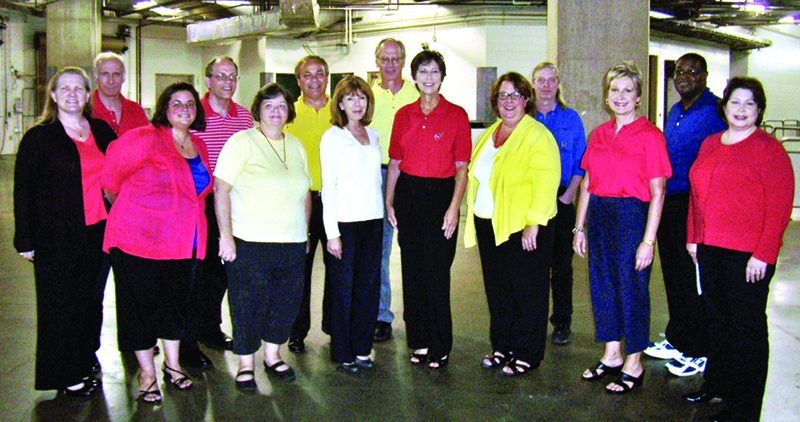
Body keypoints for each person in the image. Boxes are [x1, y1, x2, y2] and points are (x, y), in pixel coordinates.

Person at [682, 77, 793, 422]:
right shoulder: (711, 143)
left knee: (746, 331)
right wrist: (693, 236)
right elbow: (697, 194)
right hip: (711, 249)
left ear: (759, 110)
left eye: (749, 104)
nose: (741, 110)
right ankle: (717, 384)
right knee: (717, 322)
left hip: (748, 257)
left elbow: (779, 207)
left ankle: (744, 408)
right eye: (735, 102)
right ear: (724, 106)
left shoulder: (768, 149)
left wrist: (764, 253)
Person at [102, 82, 211, 404]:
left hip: (184, 241)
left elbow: (198, 192)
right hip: (139, 241)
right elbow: (111, 182)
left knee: (176, 304)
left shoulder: (198, 145)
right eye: (176, 103)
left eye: (190, 104)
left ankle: (172, 364)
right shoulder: (143, 138)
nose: (184, 109)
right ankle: (147, 373)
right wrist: (142, 212)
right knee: (139, 307)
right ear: (164, 108)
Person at [14, 67, 117, 397]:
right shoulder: (39, 137)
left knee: (90, 302)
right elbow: (23, 190)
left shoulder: (101, 131)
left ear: (88, 95)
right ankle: (65, 374)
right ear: (54, 96)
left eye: (79, 88)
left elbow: (121, 170)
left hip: (98, 233)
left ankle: (85, 357)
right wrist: (25, 239)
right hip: (55, 237)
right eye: (65, 89)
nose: (73, 94)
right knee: (59, 306)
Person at [573, 62, 671, 394]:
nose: (620, 96)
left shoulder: (651, 136)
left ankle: (634, 360)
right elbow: (587, 183)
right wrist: (579, 228)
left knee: (633, 290)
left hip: (632, 217)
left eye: (628, 90)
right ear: (606, 95)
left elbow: (658, 191)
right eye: (615, 90)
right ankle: (612, 353)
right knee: (602, 286)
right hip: (599, 215)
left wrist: (648, 240)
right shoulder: (599, 134)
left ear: (639, 97)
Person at [214, 83, 311, 388]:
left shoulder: (295, 145)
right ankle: (245, 362)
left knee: (286, 301)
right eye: (269, 106)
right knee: (247, 303)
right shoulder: (241, 142)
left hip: (292, 242)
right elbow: (221, 190)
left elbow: (304, 192)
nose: (276, 112)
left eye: (281, 106)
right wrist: (226, 237)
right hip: (249, 241)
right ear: (258, 110)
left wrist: (305, 231)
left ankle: (273, 355)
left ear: (289, 111)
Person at [464, 72, 561, 376]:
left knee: (527, 292)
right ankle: (502, 346)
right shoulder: (491, 132)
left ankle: (527, 352)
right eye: (503, 95)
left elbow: (548, 181)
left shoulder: (536, 135)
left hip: (523, 226)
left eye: (515, 95)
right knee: (499, 291)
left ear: (526, 100)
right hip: (489, 223)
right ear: (495, 101)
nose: (508, 101)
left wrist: (534, 223)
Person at [385, 49, 471, 369]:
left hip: (440, 197)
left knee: (436, 274)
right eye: (423, 71)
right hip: (408, 194)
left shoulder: (457, 115)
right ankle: (418, 340)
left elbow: (462, 168)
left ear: (442, 76)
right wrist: (389, 200)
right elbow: (395, 162)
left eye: (435, 71)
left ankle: (439, 343)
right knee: (412, 272)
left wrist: (453, 209)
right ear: (415, 76)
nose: (429, 77)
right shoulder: (404, 115)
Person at [643, 53, 727, 377]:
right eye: (680, 71)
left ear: (704, 76)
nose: (685, 76)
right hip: (670, 201)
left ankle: (699, 348)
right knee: (674, 275)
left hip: (697, 204)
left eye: (693, 71)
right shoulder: (676, 110)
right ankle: (679, 337)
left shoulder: (715, 111)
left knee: (694, 280)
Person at [181, 56, 254, 368]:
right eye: (220, 76)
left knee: (224, 274)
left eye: (232, 76)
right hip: (202, 205)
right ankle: (188, 341)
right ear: (207, 80)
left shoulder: (245, 116)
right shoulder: (194, 113)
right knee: (197, 275)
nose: (228, 82)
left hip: (236, 206)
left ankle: (211, 329)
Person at [320, 76, 383, 374]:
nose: (357, 104)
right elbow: (328, 189)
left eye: (362, 98)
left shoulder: (374, 135)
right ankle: (342, 351)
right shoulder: (332, 138)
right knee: (344, 290)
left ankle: (362, 348)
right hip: (345, 223)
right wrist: (332, 233)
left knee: (368, 289)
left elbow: (377, 180)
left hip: (373, 222)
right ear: (341, 104)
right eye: (351, 98)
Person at [530, 62, 587, 346]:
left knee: (562, 267)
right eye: (541, 80)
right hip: (532, 199)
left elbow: (581, 161)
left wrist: (570, 195)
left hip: (562, 197)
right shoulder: (525, 118)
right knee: (534, 263)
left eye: (551, 80)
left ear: (558, 83)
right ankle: (533, 320)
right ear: (533, 83)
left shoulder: (571, 118)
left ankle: (562, 322)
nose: (546, 85)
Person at [370, 38, 419, 343]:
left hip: (413, 178)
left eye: (395, 58)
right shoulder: (367, 97)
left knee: (415, 250)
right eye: (384, 58)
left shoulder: (419, 94)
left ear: (404, 61)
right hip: (377, 176)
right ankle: (381, 315)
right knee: (380, 251)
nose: (390, 64)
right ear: (377, 61)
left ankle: (417, 314)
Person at [284, 55, 334, 353]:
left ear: (327, 77)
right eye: (307, 75)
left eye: (320, 74)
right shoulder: (287, 114)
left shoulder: (339, 110)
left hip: (333, 202)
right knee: (298, 268)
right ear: (298, 80)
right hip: (299, 203)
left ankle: (333, 326)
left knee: (336, 266)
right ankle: (297, 330)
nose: (314, 80)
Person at [91, 52, 149, 136]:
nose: (111, 81)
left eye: (116, 74)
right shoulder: (84, 111)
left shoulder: (137, 111)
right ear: (95, 76)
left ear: (123, 77)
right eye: (105, 74)